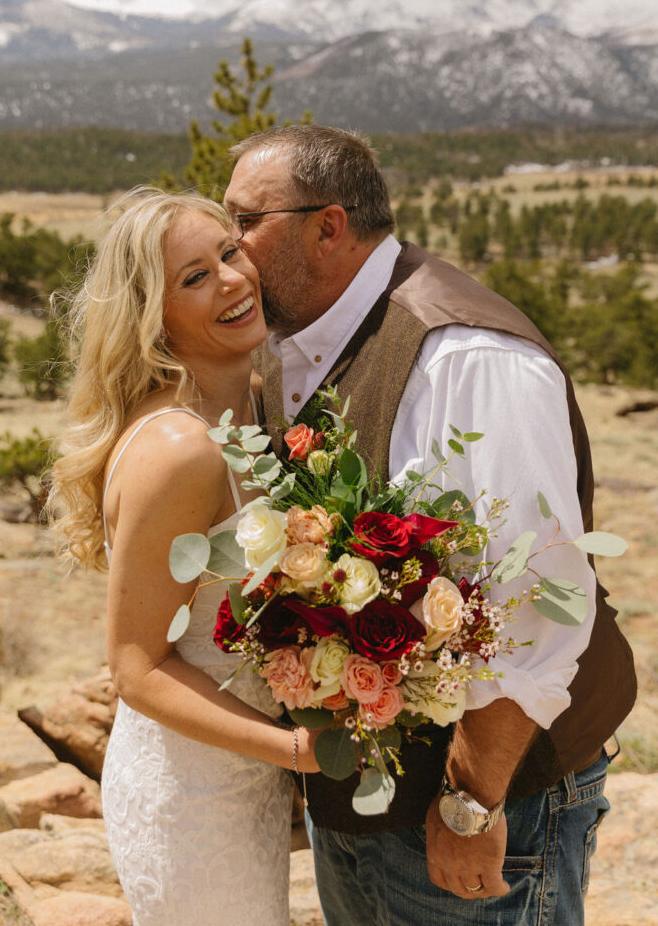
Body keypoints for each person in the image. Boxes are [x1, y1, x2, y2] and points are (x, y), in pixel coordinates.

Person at [223, 125, 637, 926]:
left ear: (328, 227)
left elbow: (536, 599)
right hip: (357, 800)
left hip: (486, 802)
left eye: (244, 220)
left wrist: (469, 805)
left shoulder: (469, 359)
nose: (229, 243)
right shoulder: (284, 344)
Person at [48, 187, 321, 926]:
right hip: (190, 795)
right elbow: (135, 668)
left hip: (246, 776)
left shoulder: (253, 402)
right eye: (194, 278)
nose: (232, 281)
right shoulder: (180, 449)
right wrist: (297, 750)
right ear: (152, 316)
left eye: (230, 253)